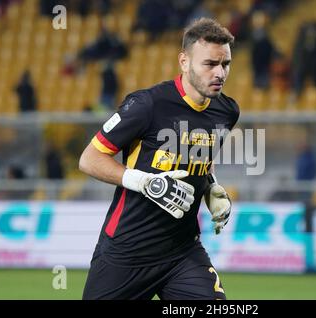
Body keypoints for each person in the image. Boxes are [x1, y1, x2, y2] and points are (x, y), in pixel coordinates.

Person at [79, 18, 239, 300]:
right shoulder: (147, 105)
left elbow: (202, 155)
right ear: (184, 61)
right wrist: (144, 182)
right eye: (209, 64)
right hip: (127, 250)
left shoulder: (226, 110)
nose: (219, 73)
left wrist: (211, 186)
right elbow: (89, 159)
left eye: (225, 64)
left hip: (183, 252)